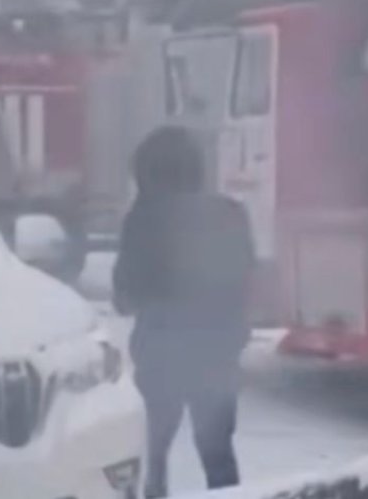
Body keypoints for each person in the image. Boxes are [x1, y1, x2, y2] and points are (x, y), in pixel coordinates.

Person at [112, 126, 256, 496]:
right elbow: (247, 282)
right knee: (218, 456)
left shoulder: (144, 219)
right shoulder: (231, 213)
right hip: (218, 359)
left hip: (162, 360)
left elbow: (125, 296)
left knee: (151, 455)